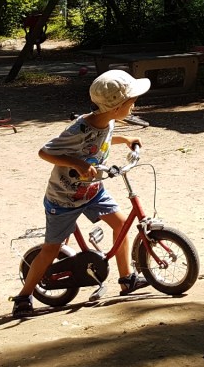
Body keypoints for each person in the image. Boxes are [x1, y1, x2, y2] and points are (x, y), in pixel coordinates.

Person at [11, 69, 151, 318]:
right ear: (117, 106)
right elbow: (45, 152)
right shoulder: (78, 129)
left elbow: (101, 140)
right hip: (64, 198)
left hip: (94, 191)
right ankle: (24, 296)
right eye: (131, 102)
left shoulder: (108, 121)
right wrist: (76, 164)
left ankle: (126, 278)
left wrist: (125, 139)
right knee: (51, 249)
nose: (134, 105)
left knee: (121, 225)